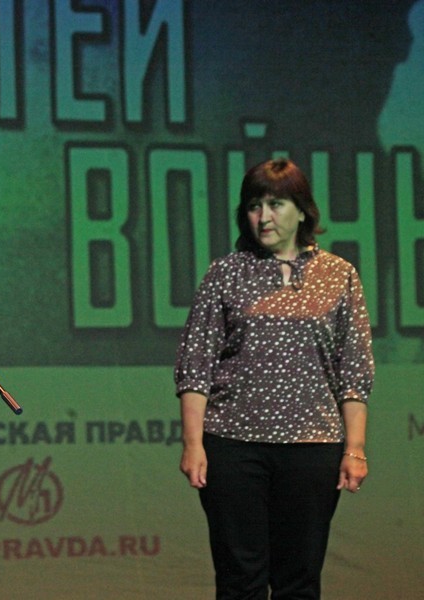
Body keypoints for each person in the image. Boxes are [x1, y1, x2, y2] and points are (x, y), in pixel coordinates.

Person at [174, 157, 374, 599]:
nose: (263, 216)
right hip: (234, 446)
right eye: (253, 206)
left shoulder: (339, 275)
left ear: (302, 210)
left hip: (312, 446)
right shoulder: (226, 273)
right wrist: (193, 444)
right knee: (239, 580)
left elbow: (354, 370)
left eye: (275, 204)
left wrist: (355, 449)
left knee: (298, 580)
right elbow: (195, 366)